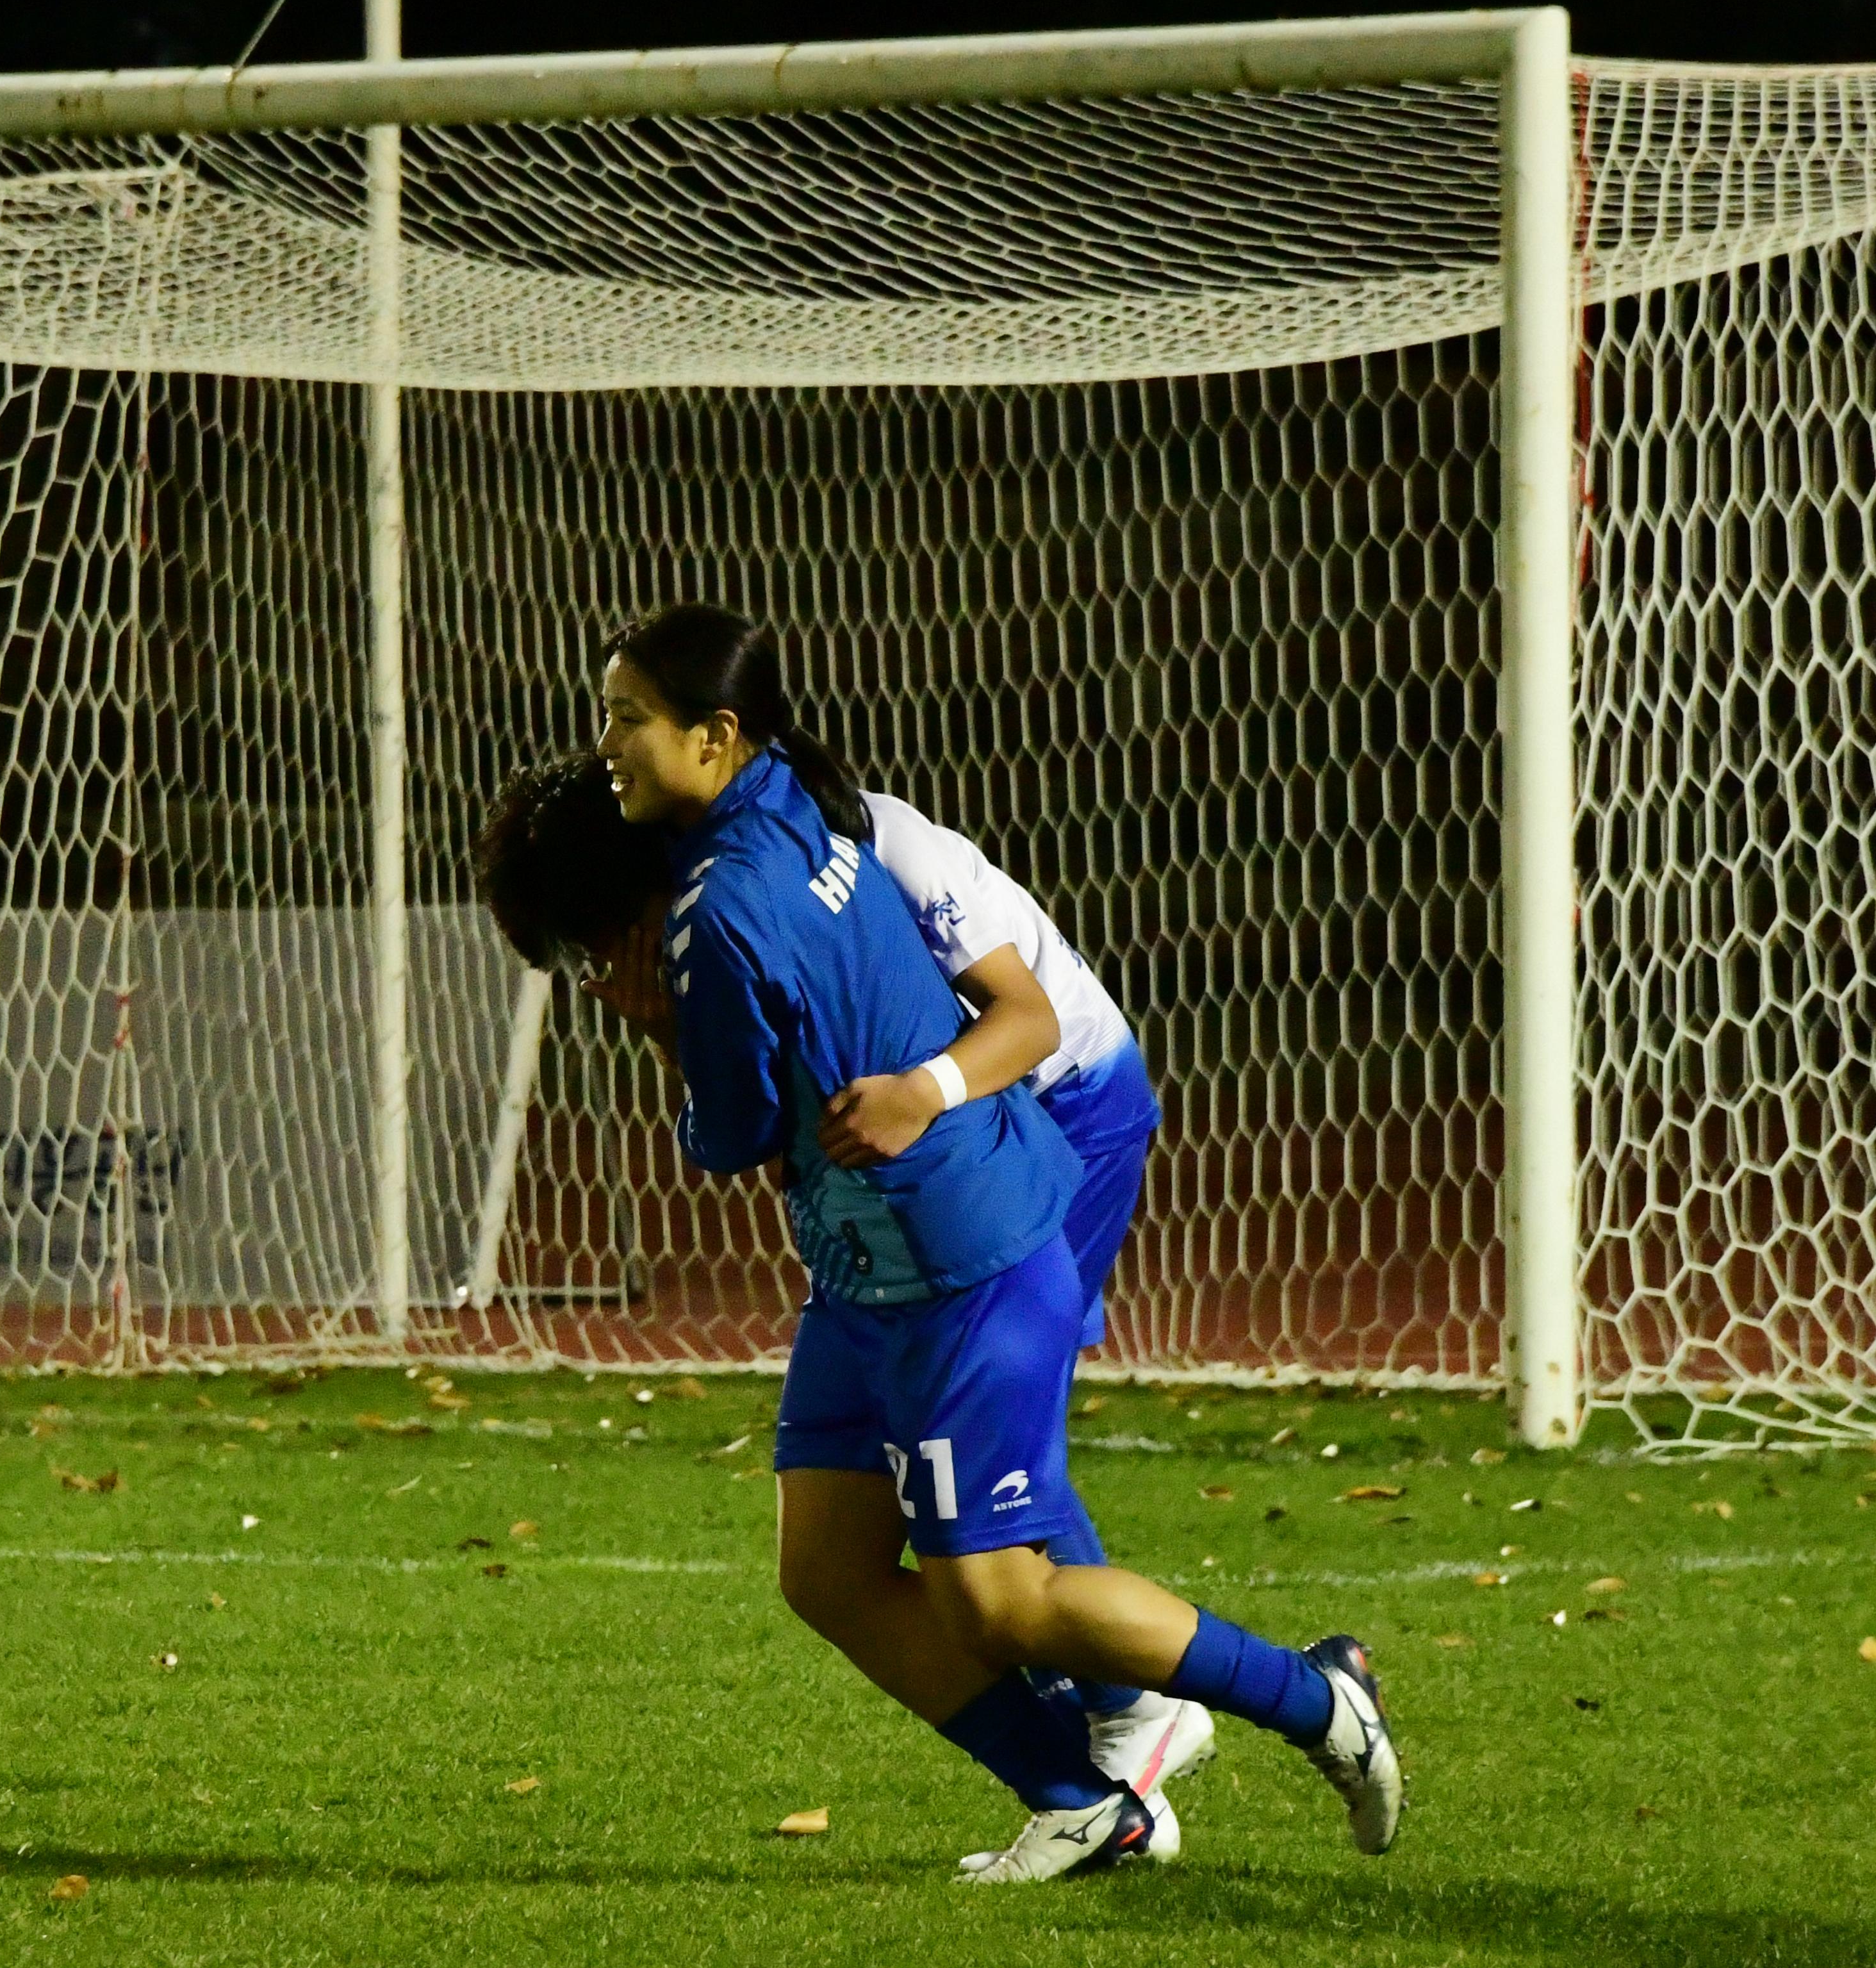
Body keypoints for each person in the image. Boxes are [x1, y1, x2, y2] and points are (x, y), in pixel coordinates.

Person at [572, 601, 1404, 1878]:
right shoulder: (796, 801)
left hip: (1015, 1157)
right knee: (833, 1567)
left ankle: (1294, 1697)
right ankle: (1083, 1792)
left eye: (628, 716)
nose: (608, 741)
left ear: (718, 734)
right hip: (882, 1248)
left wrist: (722, 1040)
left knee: (996, 1583)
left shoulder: (785, 881)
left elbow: (754, 1122)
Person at [477, 753, 1214, 1842]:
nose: (621, 744)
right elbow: (769, 1119)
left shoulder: (869, 852)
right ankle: (1100, 1752)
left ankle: (1147, 1701)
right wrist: (674, 1019)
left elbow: (1025, 1022)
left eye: (635, 716)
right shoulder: (711, 900)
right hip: (920, 1183)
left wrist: (924, 1089)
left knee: (980, 1440)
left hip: (1061, 1108)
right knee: (863, 1529)